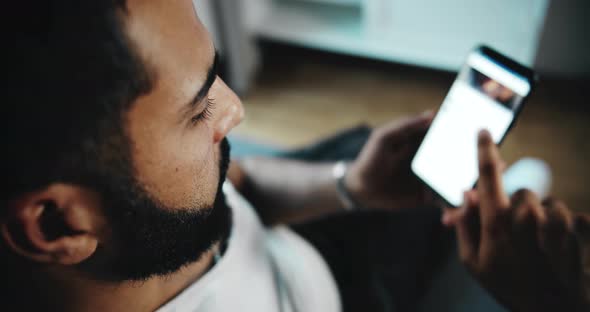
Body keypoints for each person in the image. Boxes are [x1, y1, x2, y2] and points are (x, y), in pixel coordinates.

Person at [1, 1, 588, 311]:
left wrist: (349, 186)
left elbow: (240, 188)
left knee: (377, 150)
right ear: (58, 224)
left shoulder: (141, 222)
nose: (235, 111)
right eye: (197, 107)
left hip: (286, 240)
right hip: (352, 296)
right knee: (450, 225)